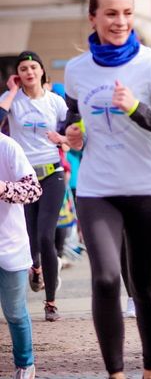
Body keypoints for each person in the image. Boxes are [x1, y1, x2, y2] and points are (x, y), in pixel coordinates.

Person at [62, 0, 151, 379]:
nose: (120, 21)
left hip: (149, 189)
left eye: (127, 13)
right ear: (93, 18)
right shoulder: (77, 69)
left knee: (144, 285)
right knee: (104, 278)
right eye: (111, 13)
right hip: (97, 189)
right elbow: (72, 120)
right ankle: (115, 374)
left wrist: (136, 108)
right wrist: (73, 134)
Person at [0, 51, 68, 322]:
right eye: (23, 69)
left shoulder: (55, 101)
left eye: (33, 67)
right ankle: (36, 267)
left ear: (41, 71)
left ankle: (50, 303)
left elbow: (75, 130)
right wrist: (11, 92)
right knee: (30, 239)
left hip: (52, 174)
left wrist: (63, 138)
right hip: (24, 179)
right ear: (17, 75)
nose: (29, 72)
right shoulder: (13, 101)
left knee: (45, 236)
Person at [0, 132, 43, 379]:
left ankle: (25, 364)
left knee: (15, 312)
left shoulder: (7, 147)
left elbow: (33, 189)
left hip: (9, 246)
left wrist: (4, 188)